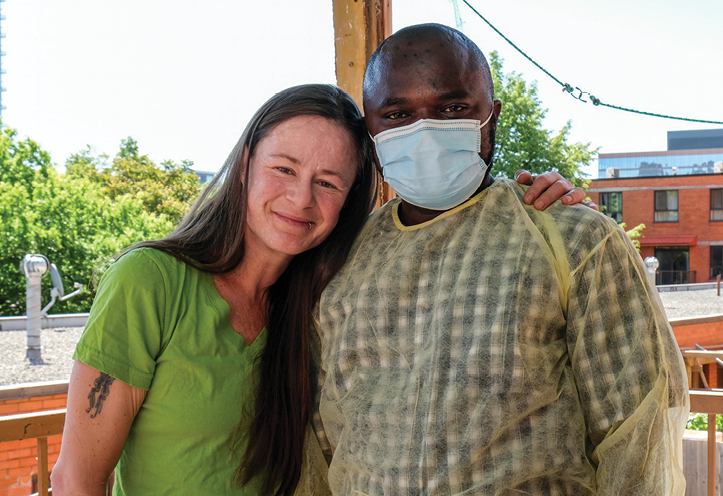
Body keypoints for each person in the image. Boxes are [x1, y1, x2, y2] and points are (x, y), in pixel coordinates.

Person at [50, 83, 584, 496]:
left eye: (328, 182)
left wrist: (538, 204)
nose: (301, 199)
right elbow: (76, 479)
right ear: (244, 167)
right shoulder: (150, 281)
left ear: (350, 197)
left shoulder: (330, 298)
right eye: (284, 169)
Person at [315, 24, 689, 495]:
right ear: (369, 129)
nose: (424, 131)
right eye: (397, 113)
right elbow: (323, 433)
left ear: (489, 117)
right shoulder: (341, 261)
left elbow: (638, 430)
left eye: (452, 108)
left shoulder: (572, 238)